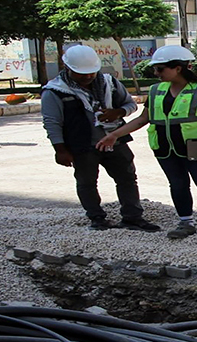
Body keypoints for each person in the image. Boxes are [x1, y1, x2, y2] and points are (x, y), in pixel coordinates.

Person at [97, 45, 197, 242]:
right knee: (177, 185)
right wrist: (115, 135)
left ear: (178, 68)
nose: (156, 73)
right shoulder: (155, 90)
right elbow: (143, 119)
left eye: (160, 69)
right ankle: (186, 222)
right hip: (165, 149)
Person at [42, 45, 161, 232]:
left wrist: (119, 112)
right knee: (87, 182)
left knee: (127, 178)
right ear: (68, 68)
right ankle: (96, 218)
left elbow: (130, 104)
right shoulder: (55, 91)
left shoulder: (109, 83)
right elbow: (52, 122)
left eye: (91, 73)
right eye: (82, 74)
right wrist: (60, 149)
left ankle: (132, 217)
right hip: (83, 146)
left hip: (115, 140)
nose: (88, 77)